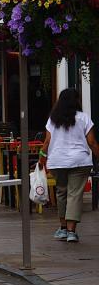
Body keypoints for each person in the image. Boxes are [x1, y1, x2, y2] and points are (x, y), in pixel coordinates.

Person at [39, 88, 99, 243]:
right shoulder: (84, 118)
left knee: (61, 193)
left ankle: (63, 228)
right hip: (80, 161)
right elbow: (91, 142)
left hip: (57, 161)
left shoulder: (53, 119)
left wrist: (42, 159)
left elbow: (47, 142)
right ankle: (71, 231)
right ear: (76, 101)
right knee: (74, 194)